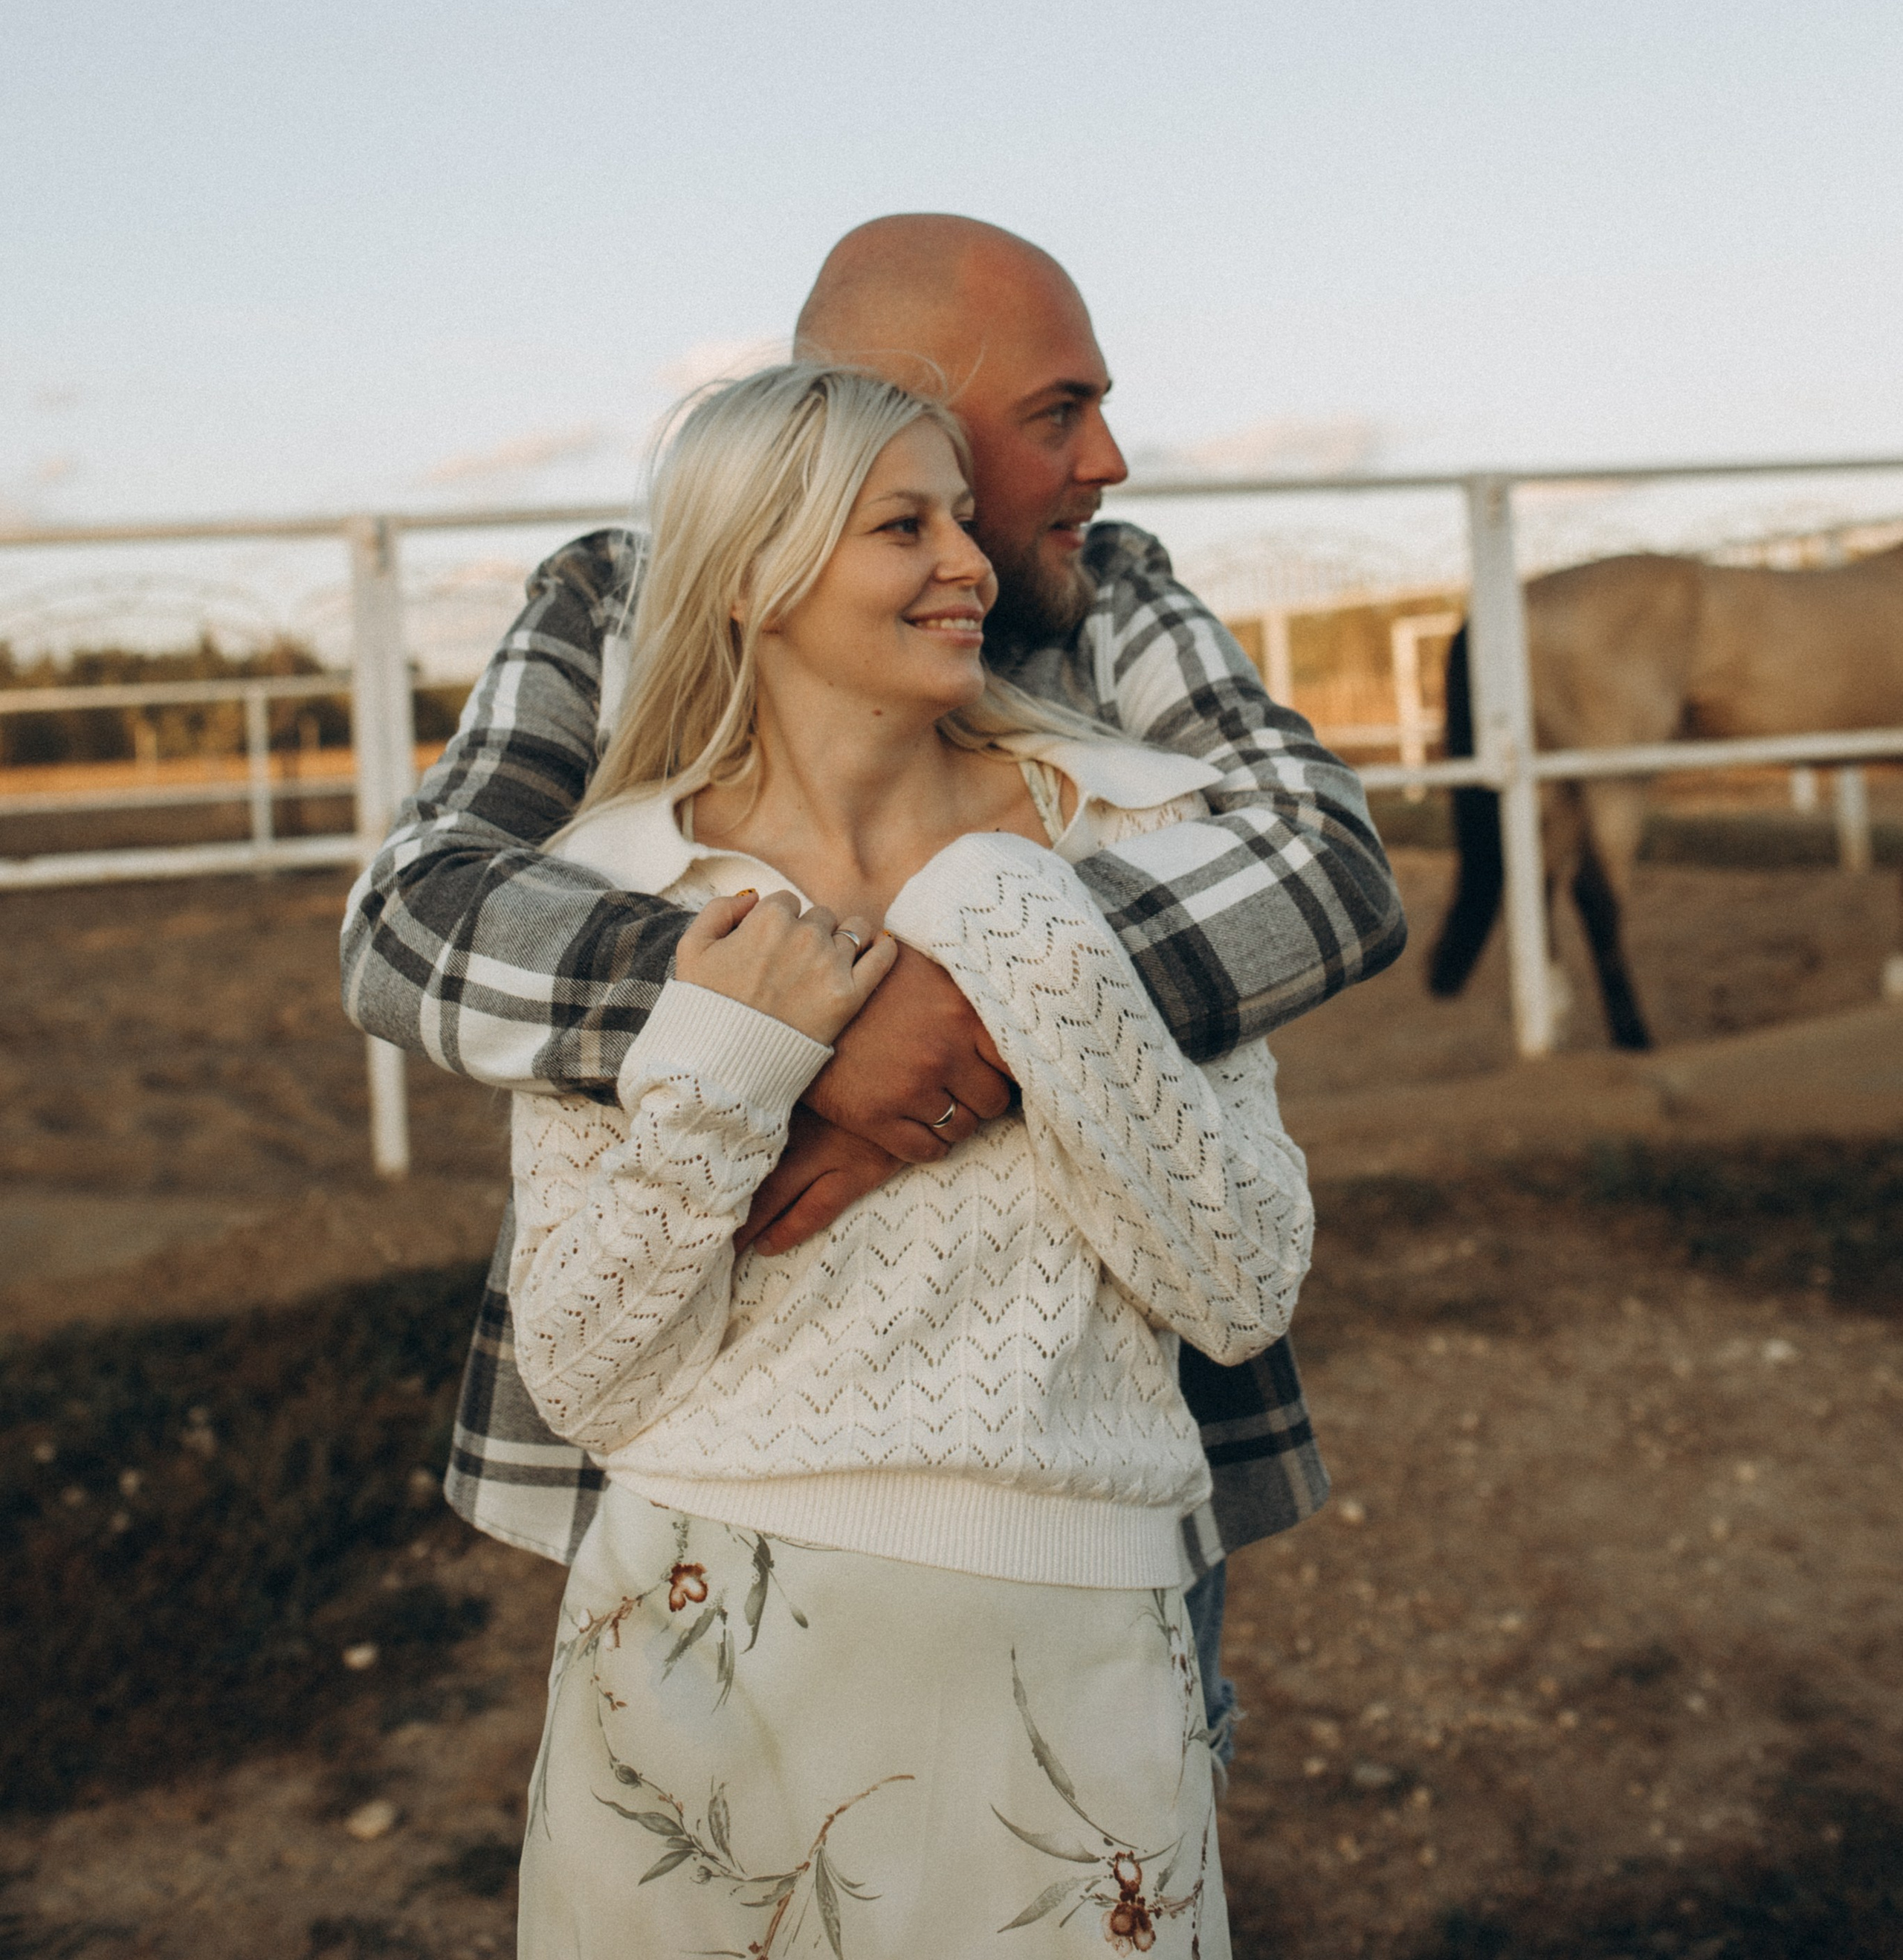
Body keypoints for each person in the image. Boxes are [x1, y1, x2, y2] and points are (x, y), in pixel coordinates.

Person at [340, 216, 1405, 1764]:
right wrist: (770, 1010)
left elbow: (1320, 859)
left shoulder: (1107, 589)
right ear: (877, 407)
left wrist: (965, 1005)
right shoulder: (615, 599)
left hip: (1094, 1473)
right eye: (1056, 410)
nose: (1104, 460)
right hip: (709, 1454)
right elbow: (414, 919)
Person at [505, 359, 1316, 1960]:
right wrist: (729, 1075)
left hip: (1072, 1655)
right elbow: (590, 1375)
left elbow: (1237, 1287)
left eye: (960, 513)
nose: (967, 564)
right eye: (903, 525)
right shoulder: (621, 881)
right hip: (693, 1644)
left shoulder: (1139, 830)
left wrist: (1012, 926)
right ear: (754, 576)